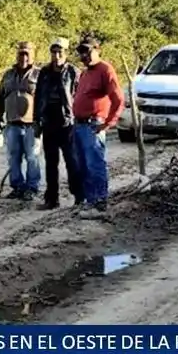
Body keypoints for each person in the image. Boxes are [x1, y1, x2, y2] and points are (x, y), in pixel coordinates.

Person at [71, 37, 124, 219]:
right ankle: (88, 201)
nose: (84, 55)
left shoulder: (105, 70)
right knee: (82, 166)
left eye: (87, 51)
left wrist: (108, 123)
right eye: (81, 52)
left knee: (95, 164)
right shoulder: (85, 73)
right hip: (78, 124)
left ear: (97, 49)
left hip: (93, 125)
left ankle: (99, 202)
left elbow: (118, 100)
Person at [34, 38, 83, 210]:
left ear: (65, 53)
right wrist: (36, 121)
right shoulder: (44, 72)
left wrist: (77, 117)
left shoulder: (73, 72)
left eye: (60, 52)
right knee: (51, 163)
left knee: (72, 161)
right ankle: (51, 199)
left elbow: (79, 96)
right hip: (48, 121)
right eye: (54, 52)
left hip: (67, 123)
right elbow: (38, 96)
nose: (56, 55)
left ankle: (78, 196)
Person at [0, 41, 42, 202]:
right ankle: (17, 187)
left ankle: (32, 188)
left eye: (27, 54)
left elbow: (45, 99)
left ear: (32, 55)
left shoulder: (39, 75)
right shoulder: (8, 74)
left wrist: (42, 120)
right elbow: (0, 96)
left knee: (32, 157)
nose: (24, 57)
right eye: (21, 53)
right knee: (13, 157)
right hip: (12, 124)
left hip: (32, 125)